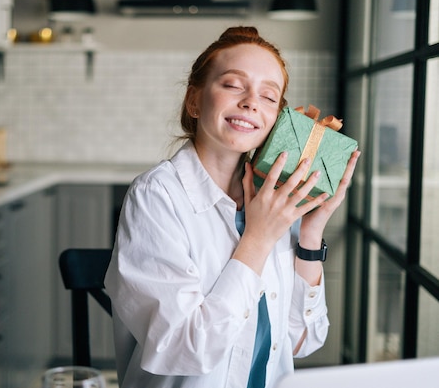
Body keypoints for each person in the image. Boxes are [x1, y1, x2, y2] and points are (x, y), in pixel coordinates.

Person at [104, 26, 361, 388]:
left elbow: (304, 341)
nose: (252, 102)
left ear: (276, 120)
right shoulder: (156, 196)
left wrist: (310, 231)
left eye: (269, 97)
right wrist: (257, 238)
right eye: (232, 85)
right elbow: (184, 350)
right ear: (194, 101)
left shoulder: (273, 197)